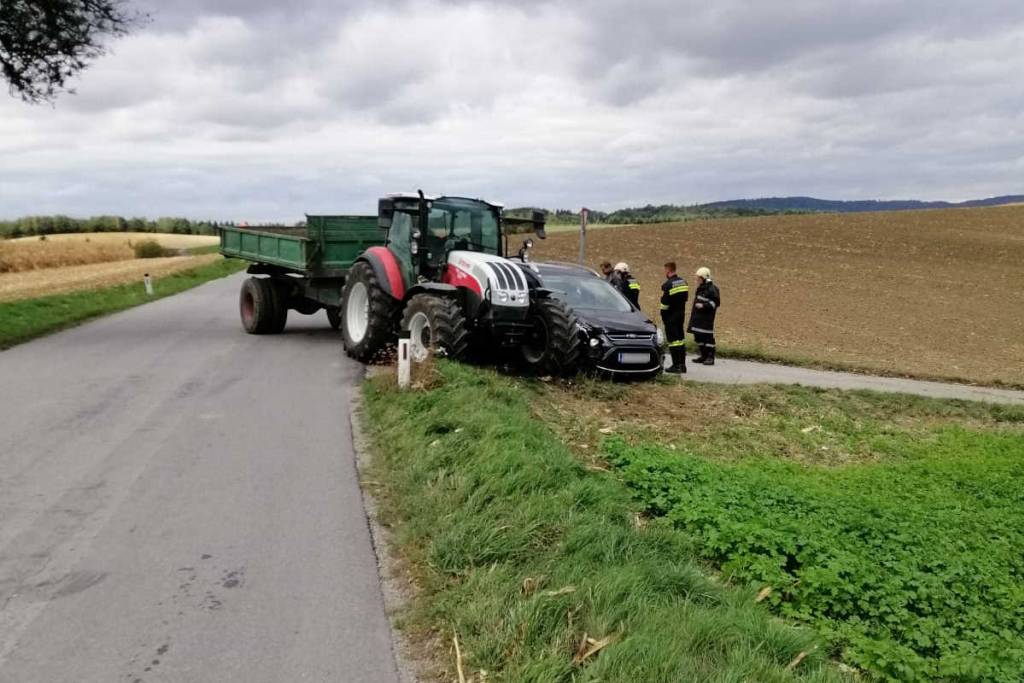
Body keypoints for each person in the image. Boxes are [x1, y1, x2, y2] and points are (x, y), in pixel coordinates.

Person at [660, 261, 689, 373]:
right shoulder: (684, 282)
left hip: (671, 316)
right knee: (680, 340)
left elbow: (664, 304)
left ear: (668, 270)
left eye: (665, 270)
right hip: (681, 314)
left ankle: (676, 366)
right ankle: (682, 365)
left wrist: (664, 317)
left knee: (673, 341)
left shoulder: (668, 285)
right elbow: (685, 298)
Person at [688, 266, 720, 365]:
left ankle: (710, 358)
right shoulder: (701, 288)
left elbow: (715, 303)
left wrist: (703, 305)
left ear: (704, 278)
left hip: (706, 320)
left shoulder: (712, 289)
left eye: (698, 278)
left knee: (708, 338)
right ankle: (704, 356)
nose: (697, 279)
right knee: (699, 337)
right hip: (698, 319)